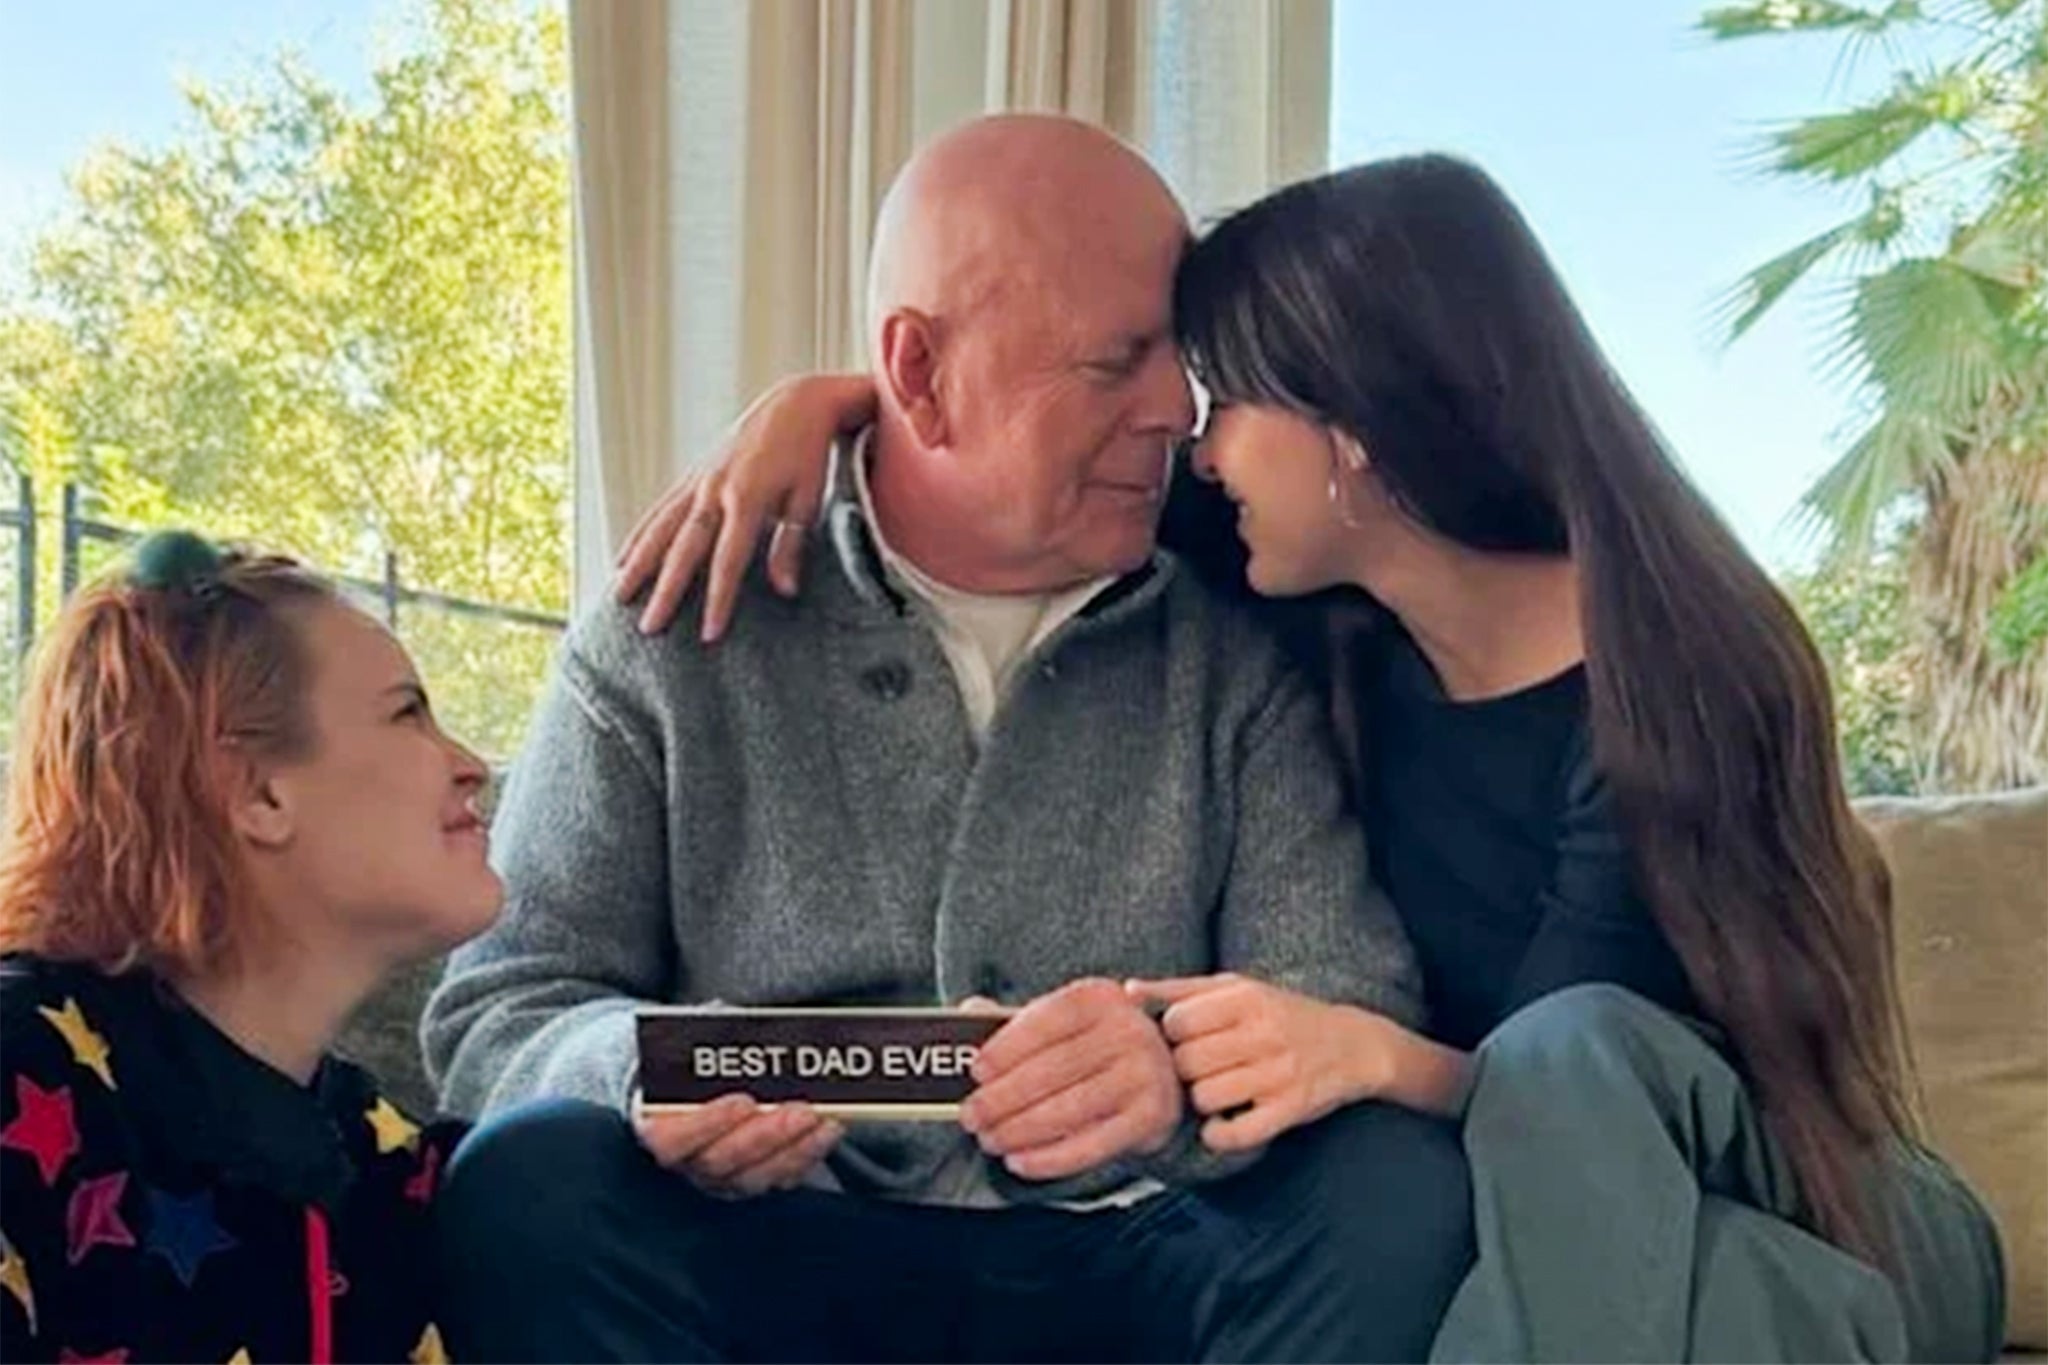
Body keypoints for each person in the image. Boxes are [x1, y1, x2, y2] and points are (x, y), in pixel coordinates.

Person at [615, 152, 2008, 1362]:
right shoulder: (1316, 600)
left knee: (1536, 1085)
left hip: (1749, 1199)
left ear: (1354, 429)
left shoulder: (1685, 674)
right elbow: (990, 454)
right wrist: (822, 408)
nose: (1189, 444)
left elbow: (1590, 1091)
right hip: (1498, 1212)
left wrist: (1367, 1054)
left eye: (1220, 396)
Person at [423, 115, 1472, 1364]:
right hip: (767, 1259)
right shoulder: (675, 620)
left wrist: (1169, 1080)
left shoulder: (1234, 639)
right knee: (528, 1182)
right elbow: (492, 1013)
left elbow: (1343, 998)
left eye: (1179, 361)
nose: (1174, 414)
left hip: (1132, 1259)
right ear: (917, 376)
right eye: (1113, 362)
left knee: (1390, 1187)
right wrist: (647, 1075)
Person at [0, 530, 499, 1364]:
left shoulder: (384, 1167)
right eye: (407, 711)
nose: (471, 765)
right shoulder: (24, 1071)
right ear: (256, 791)